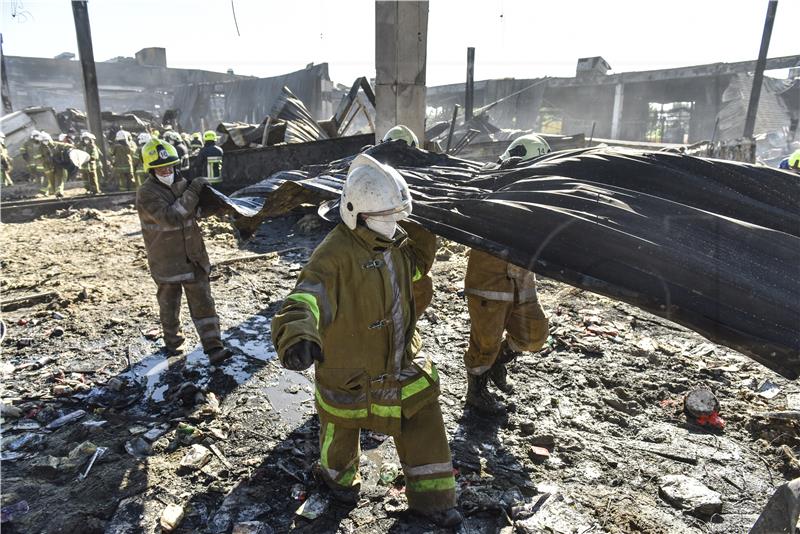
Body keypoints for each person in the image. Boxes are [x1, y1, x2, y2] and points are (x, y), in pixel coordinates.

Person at [270, 154, 462, 527]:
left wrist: (429, 222)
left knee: (424, 418)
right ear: (356, 213)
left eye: (398, 216)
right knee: (340, 430)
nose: (394, 224)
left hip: (401, 359)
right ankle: (335, 479)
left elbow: (419, 264)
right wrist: (296, 335)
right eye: (386, 217)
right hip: (350, 368)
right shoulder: (334, 254)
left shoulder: (399, 242)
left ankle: (434, 500)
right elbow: (306, 297)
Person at [463, 134, 551, 415]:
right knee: (485, 341)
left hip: (522, 277)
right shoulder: (490, 184)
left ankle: (498, 363)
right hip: (489, 279)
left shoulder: (542, 192)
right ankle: (476, 391)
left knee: (534, 333)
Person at [136, 138, 232, 365]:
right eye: (161, 167)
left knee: (204, 304)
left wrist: (216, 206)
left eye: (170, 166)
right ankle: (174, 345)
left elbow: (193, 211)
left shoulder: (181, 183)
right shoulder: (147, 193)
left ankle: (214, 347)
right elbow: (172, 217)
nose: (166, 170)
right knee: (170, 305)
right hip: (166, 260)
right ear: (151, 169)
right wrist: (195, 189)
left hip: (193, 257)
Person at [39, 132, 72, 198]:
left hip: (58, 165)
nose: (45, 142)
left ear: (49, 139)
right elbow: (40, 158)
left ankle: (59, 192)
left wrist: (73, 147)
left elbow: (66, 145)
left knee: (60, 179)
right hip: (48, 166)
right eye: (43, 141)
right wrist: (45, 163)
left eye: (46, 140)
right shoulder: (41, 148)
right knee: (52, 181)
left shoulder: (56, 145)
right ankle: (54, 192)